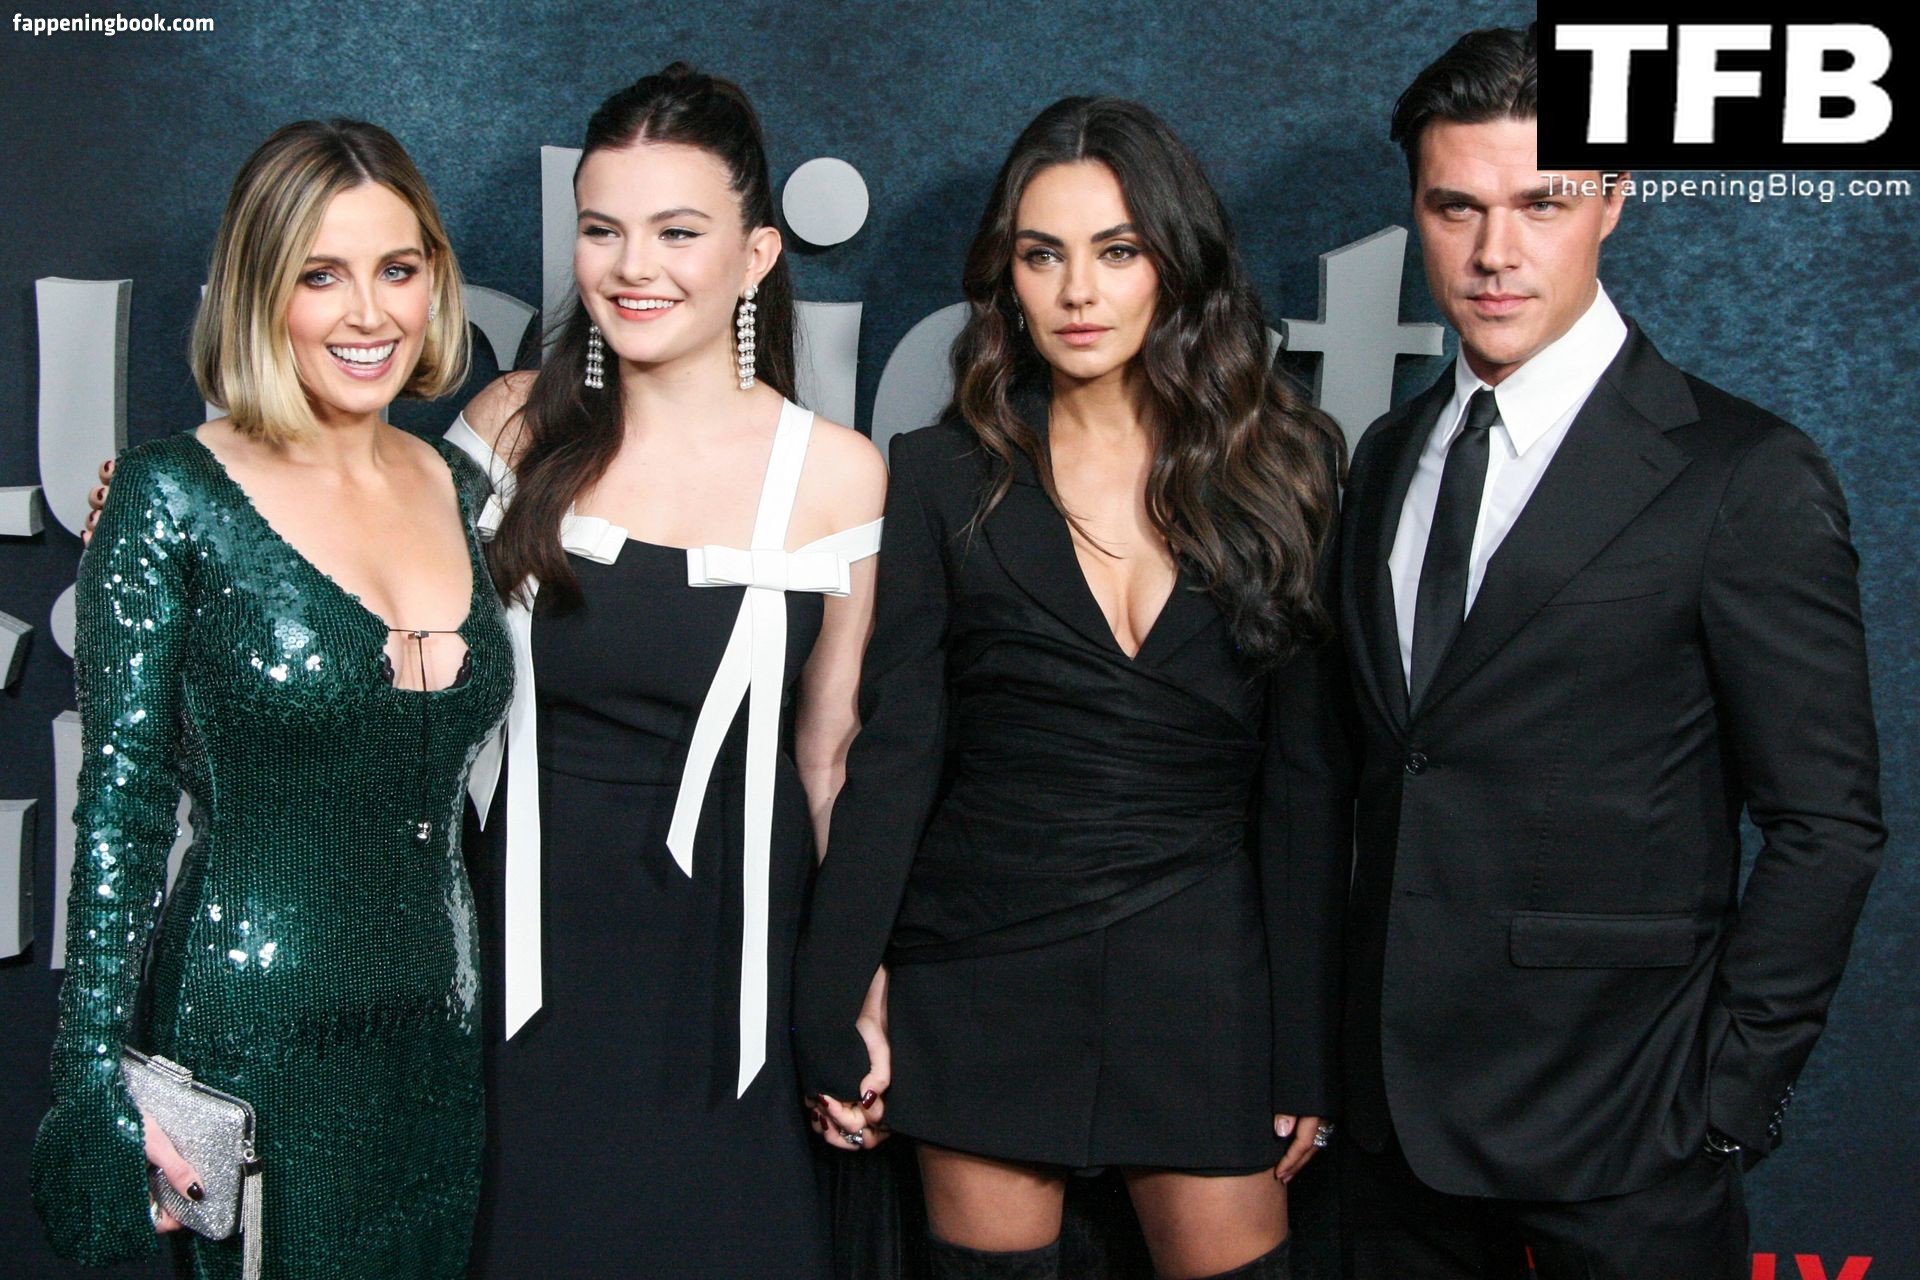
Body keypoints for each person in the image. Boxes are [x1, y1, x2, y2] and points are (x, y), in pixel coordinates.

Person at [1333, 24, 1885, 1278]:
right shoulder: (1385, 457)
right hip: (1393, 1133)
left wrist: (1725, 1095)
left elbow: (1827, 822)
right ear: (1417, 212)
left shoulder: (1743, 472)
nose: (1496, 252)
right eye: (1457, 208)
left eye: (1542, 202)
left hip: (1627, 1129)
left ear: (1614, 200)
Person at [791, 97, 1350, 1280]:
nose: (1078, 292)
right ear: (1008, 275)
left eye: (1117, 250)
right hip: (980, 963)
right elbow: (899, 753)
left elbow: (1305, 785)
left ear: (1174, 265)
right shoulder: (945, 473)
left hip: (1203, 971)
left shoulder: (1286, 467)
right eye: (1044, 255)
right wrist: (832, 994)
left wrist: (1305, 1045)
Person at [32, 119, 510, 1278]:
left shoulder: (454, 480)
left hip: (440, 1045)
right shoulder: (170, 494)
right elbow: (122, 809)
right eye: (320, 275)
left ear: (436, 280)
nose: (370, 313)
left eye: (397, 269)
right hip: (252, 1040)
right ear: (258, 290)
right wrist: (93, 1082)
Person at [445, 64, 887, 1278]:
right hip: (520, 961)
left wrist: (859, 990)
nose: (633, 266)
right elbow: (357, 590)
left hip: (730, 974)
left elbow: (832, 757)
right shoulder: (509, 425)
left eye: (677, 232)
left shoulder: (838, 474)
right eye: (603, 229)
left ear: (756, 255)